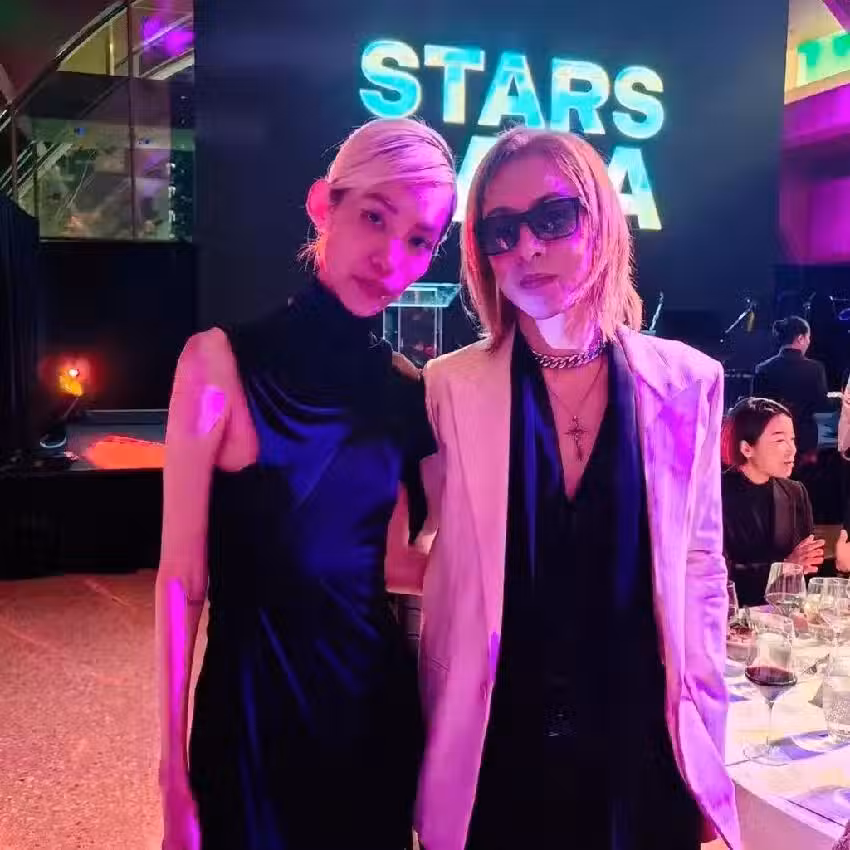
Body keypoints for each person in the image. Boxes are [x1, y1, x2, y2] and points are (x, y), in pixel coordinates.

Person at [415, 127, 740, 850]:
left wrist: (707, 745)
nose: (527, 248)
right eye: (501, 231)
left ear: (601, 220)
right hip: (499, 746)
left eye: (553, 217)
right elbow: (433, 555)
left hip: (640, 750)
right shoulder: (448, 389)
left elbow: (700, 572)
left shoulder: (689, 382)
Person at [156, 117, 456, 850]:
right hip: (250, 718)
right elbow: (181, 581)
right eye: (375, 217)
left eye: (419, 240)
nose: (391, 258)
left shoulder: (406, 388)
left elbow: (401, 557)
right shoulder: (217, 362)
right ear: (325, 205)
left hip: (371, 718)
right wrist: (170, 771)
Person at [721, 397, 824, 607]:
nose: (792, 449)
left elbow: (805, 571)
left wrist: (800, 566)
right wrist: (784, 567)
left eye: (792, 439)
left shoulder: (795, 492)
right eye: (779, 441)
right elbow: (719, 575)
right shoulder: (714, 494)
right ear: (747, 448)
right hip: (732, 615)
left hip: (783, 616)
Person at [753, 315, 829, 463]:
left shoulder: (763, 369)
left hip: (773, 443)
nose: (809, 342)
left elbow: (756, 411)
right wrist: (820, 448)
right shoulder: (816, 369)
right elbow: (822, 408)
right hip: (806, 445)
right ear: (800, 338)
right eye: (808, 338)